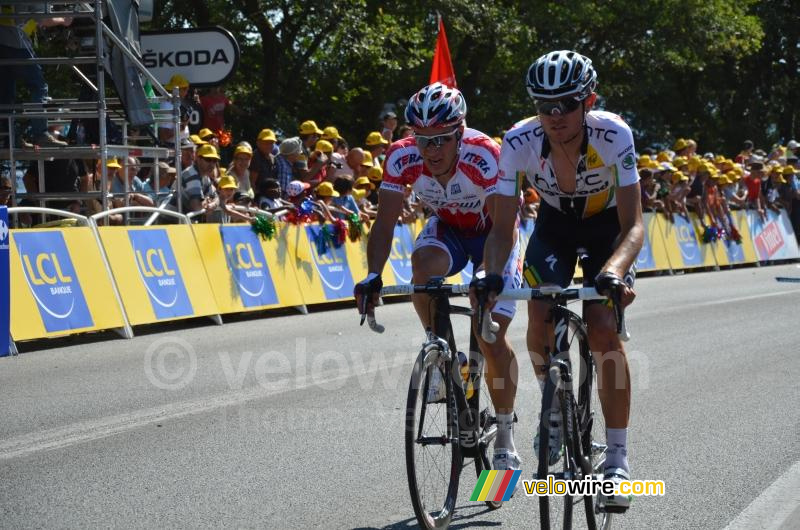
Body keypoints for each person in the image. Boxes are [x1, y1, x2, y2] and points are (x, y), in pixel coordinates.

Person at [480, 51, 643, 512]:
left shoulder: (614, 134)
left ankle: (617, 460)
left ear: (588, 100)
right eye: (544, 106)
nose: (555, 116)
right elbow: (501, 230)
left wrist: (614, 272)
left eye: (566, 104)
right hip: (554, 227)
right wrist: (491, 275)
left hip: (606, 229)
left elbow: (634, 225)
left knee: (602, 328)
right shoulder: (518, 140)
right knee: (539, 312)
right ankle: (553, 406)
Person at [354, 82, 524, 475]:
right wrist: (373, 275)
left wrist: (488, 274)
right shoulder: (401, 156)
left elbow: (502, 228)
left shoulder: (485, 154)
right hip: (449, 230)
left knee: (490, 336)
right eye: (422, 139)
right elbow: (384, 223)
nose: (430, 150)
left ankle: (504, 433)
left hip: (495, 235)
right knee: (422, 266)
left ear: (459, 133)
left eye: (440, 140)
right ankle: (443, 352)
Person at [0, 6, 71, 147]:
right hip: (15, 41)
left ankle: (9, 138)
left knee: (6, 92)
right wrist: (64, 20)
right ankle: (40, 133)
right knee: (39, 86)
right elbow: (44, 19)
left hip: (2, 41)